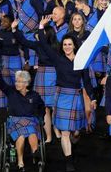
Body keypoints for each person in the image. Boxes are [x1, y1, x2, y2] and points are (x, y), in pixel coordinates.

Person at [38, 16, 96, 172]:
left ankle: (72, 147)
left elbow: (87, 82)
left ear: (74, 45)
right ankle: (69, 162)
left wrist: (93, 98)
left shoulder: (81, 61)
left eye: (70, 44)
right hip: (62, 96)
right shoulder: (57, 58)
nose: (67, 47)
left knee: (75, 133)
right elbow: (43, 44)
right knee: (64, 132)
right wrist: (41, 26)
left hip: (77, 98)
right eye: (64, 44)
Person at [11, 19, 60, 144]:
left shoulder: (51, 46)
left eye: (39, 34)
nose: (37, 36)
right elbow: (24, 41)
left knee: (51, 107)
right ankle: (51, 135)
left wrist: (40, 26)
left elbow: (25, 41)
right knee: (48, 107)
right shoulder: (46, 45)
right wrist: (14, 30)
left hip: (49, 75)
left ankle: (55, 132)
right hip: (46, 75)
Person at [0, 68, 45, 172]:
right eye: (16, 81)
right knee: (21, 136)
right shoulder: (11, 91)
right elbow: (1, 84)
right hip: (15, 120)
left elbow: (41, 107)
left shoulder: (34, 95)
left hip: (30, 120)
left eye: (20, 81)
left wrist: (40, 117)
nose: (17, 83)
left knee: (32, 132)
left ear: (26, 83)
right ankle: (20, 162)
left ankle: (35, 152)